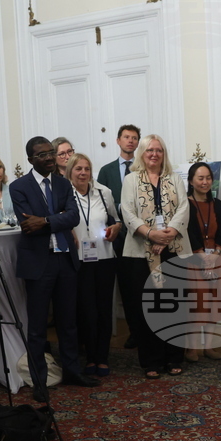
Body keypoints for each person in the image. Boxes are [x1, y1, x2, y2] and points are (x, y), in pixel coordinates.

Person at [11, 136, 99, 397]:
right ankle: (39, 380)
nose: (49, 157)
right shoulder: (19, 187)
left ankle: (72, 371)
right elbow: (28, 224)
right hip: (39, 262)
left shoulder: (62, 183)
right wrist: (56, 218)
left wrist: (46, 221)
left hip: (65, 259)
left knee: (68, 322)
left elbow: (73, 217)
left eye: (51, 152)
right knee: (38, 326)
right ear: (31, 159)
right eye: (42, 155)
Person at [120, 134, 191, 377]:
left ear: (164, 154)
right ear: (142, 153)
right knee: (147, 308)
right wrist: (151, 234)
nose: (154, 154)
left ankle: (174, 357)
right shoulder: (131, 179)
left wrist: (167, 235)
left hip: (174, 249)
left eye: (159, 150)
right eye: (150, 150)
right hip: (141, 252)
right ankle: (151, 361)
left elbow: (184, 208)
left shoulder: (175, 178)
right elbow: (127, 212)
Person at [68, 153, 121, 376]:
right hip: (79, 260)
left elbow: (116, 220)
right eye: (78, 169)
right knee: (86, 310)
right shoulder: (64, 195)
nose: (83, 173)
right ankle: (90, 357)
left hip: (105, 257)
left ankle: (102, 357)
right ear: (70, 172)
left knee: (104, 309)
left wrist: (116, 228)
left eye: (87, 169)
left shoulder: (103, 192)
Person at [97, 124, 141, 349]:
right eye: (126, 137)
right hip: (117, 236)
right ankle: (133, 331)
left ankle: (144, 330)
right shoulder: (106, 171)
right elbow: (100, 201)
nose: (130, 141)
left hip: (141, 234)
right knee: (126, 287)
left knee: (140, 286)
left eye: (134, 138)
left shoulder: (143, 168)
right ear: (118, 140)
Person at [185, 161, 221, 361]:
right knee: (196, 306)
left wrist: (217, 253)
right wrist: (201, 254)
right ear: (191, 181)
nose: (205, 182)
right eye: (200, 178)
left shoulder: (217, 204)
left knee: (213, 306)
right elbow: (187, 232)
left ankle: (209, 347)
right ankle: (192, 349)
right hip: (194, 259)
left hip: (217, 259)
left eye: (208, 178)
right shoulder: (185, 204)